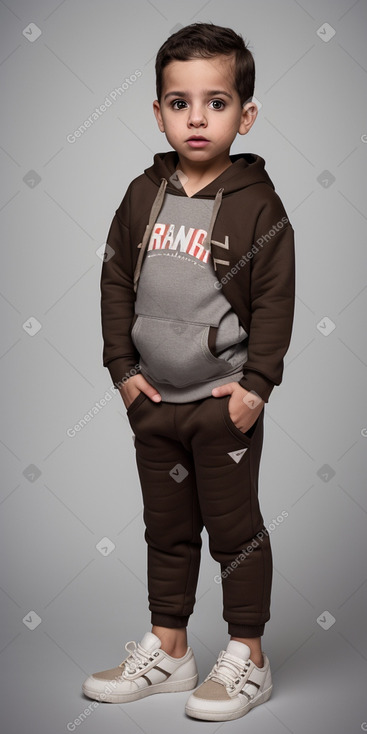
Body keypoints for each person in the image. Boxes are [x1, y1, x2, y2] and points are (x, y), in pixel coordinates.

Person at [82, 22, 295, 722]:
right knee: (166, 530)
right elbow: (115, 281)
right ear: (158, 112)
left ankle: (248, 658)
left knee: (234, 532)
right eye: (179, 102)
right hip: (154, 405)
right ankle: (170, 651)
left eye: (216, 101)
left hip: (219, 405)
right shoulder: (143, 194)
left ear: (245, 114)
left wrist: (255, 387)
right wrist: (121, 370)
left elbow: (273, 300)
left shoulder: (258, 204)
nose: (196, 118)